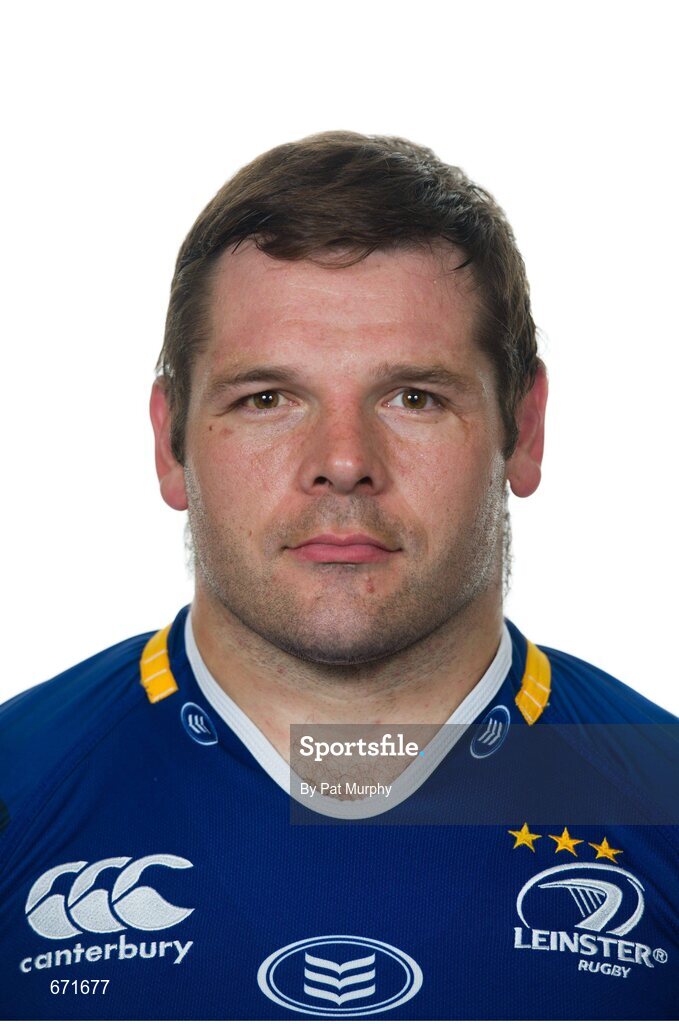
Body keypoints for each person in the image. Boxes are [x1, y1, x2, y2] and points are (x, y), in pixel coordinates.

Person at [0, 132, 676, 1022]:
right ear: (169, 443)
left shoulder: (657, 797)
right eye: (267, 399)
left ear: (526, 428)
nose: (345, 462)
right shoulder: (20, 786)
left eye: (414, 397)